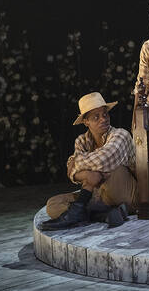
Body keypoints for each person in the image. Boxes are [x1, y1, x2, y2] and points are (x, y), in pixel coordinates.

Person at [40, 92, 136, 230]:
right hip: (98, 195)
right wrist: (86, 175)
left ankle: (85, 213)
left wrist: (76, 164)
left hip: (123, 193)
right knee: (53, 204)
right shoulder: (82, 141)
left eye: (105, 114)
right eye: (96, 117)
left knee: (110, 168)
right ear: (86, 122)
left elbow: (103, 159)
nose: (103, 119)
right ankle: (101, 215)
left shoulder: (120, 135)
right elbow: (74, 175)